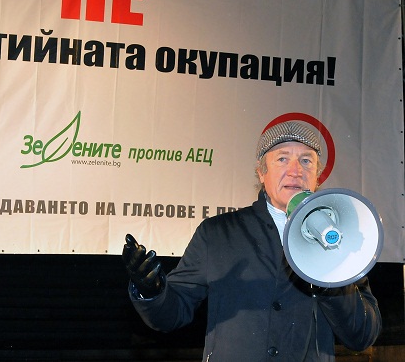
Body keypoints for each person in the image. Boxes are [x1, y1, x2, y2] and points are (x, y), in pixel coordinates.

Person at [122, 121, 382, 361]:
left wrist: (331, 277)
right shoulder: (218, 234)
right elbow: (171, 315)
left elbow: (362, 336)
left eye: (306, 161)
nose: (295, 171)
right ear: (261, 173)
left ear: (317, 176)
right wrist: (152, 291)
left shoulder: (339, 240)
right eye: (282, 159)